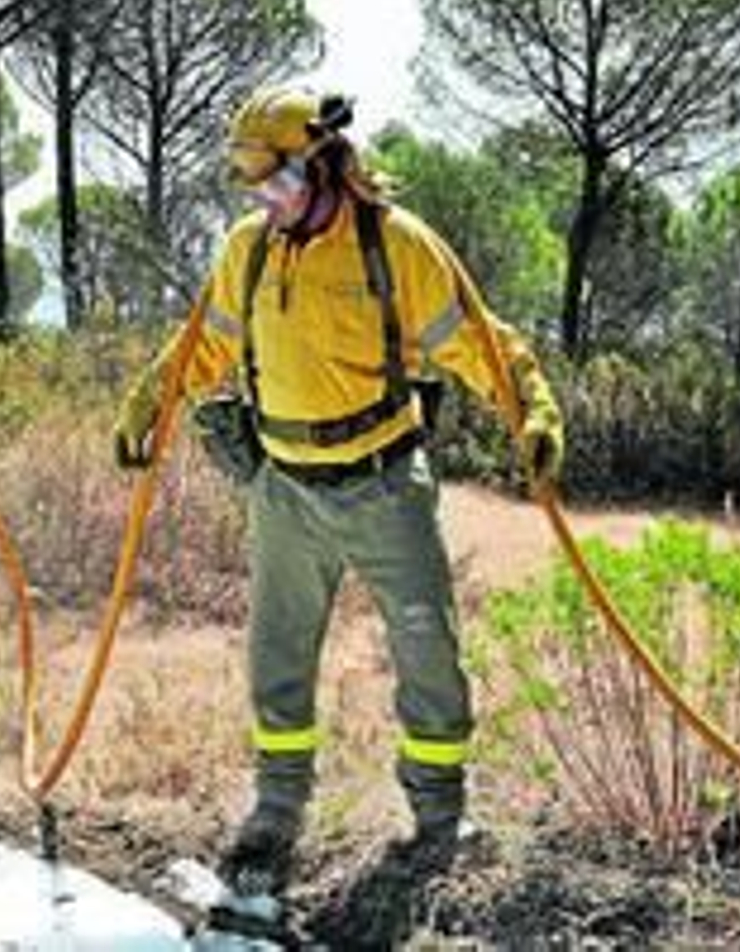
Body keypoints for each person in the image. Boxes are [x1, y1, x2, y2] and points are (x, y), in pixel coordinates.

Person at [113, 87, 565, 894]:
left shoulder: (395, 246)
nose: (266, 202)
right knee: (277, 654)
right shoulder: (248, 249)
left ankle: (436, 817)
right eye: (255, 188)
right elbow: (204, 348)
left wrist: (531, 407)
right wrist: (152, 399)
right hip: (283, 488)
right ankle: (278, 807)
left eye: (278, 184)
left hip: (385, 484)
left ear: (322, 164)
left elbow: (478, 344)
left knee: (427, 647)